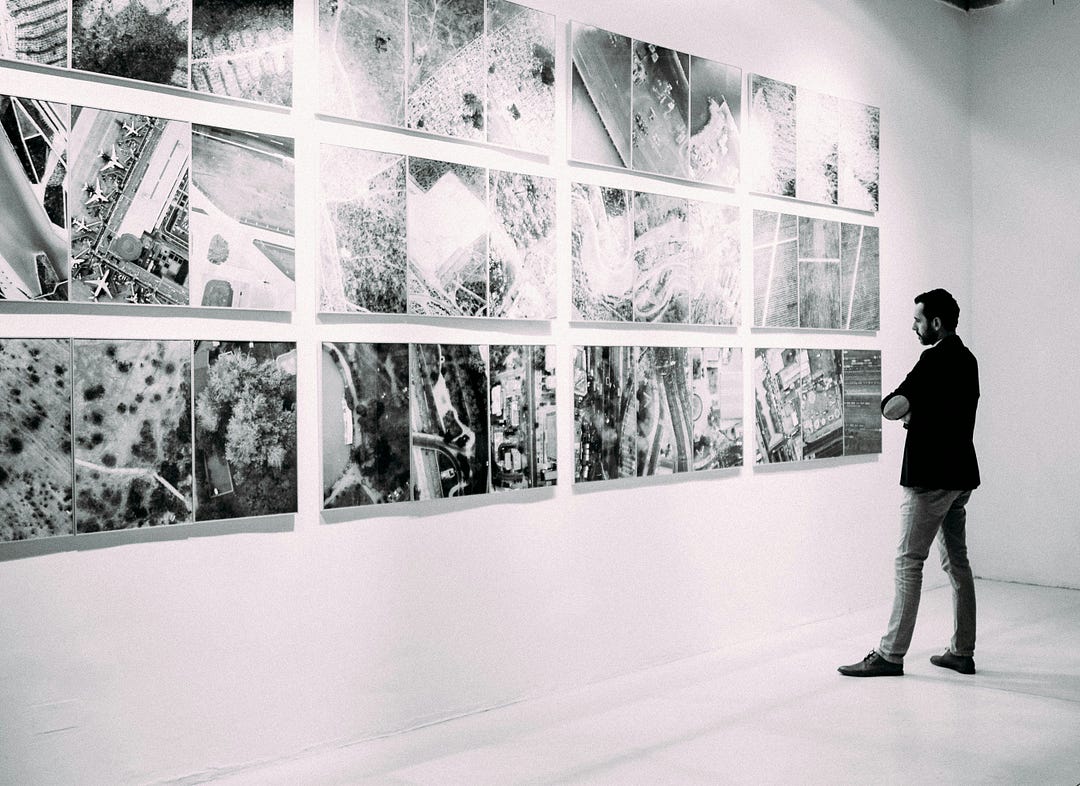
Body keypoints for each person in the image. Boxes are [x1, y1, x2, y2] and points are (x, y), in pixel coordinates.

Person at [839, 288, 980, 677]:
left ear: (936, 323)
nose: (914, 327)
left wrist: (910, 408)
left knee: (908, 561)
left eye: (918, 320)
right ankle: (962, 650)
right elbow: (951, 411)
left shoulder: (932, 360)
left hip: (930, 478)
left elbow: (891, 407)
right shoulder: (968, 361)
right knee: (957, 563)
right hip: (960, 476)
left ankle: (890, 654)